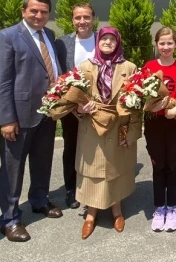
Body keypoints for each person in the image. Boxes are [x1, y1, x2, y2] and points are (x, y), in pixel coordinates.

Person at [0, 0, 63, 243]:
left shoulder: (49, 35)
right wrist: (6, 119)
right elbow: (2, 81)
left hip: (47, 113)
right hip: (19, 116)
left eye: (44, 12)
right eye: (34, 11)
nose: (39, 16)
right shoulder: (7, 36)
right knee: (12, 169)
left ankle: (40, 200)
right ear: (23, 11)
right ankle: (9, 219)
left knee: (43, 161)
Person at [75, 27, 141, 239]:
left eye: (112, 39)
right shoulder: (85, 67)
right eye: (104, 38)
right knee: (93, 169)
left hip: (119, 124)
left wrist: (132, 131)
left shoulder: (129, 67)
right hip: (92, 126)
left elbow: (138, 101)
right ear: (98, 41)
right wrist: (80, 109)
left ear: (118, 42)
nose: (108, 42)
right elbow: (73, 98)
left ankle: (116, 210)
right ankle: (91, 214)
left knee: (116, 168)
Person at [142, 27, 176, 232]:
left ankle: (172, 207)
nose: (165, 47)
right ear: (156, 44)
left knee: (172, 164)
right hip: (154, 123)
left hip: (174, 123)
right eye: (162, 43)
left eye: (169, 43)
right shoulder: (149, 66)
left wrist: (175, 110)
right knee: (158, 165)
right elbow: (140, 92)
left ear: (175, 44)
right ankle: (159, 207)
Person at [54, 2, 97, 210]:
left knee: (97, 147)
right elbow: (58, 74)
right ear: (72, 20)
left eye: (86, 17)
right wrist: (71, 103)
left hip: (98, 104)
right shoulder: (62, 43)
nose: (82, 21)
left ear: (93, 19)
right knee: (71, 146)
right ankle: (71, 188)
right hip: (72, 106)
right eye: (78, 17)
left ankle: (93, 186)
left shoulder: (103, 40)